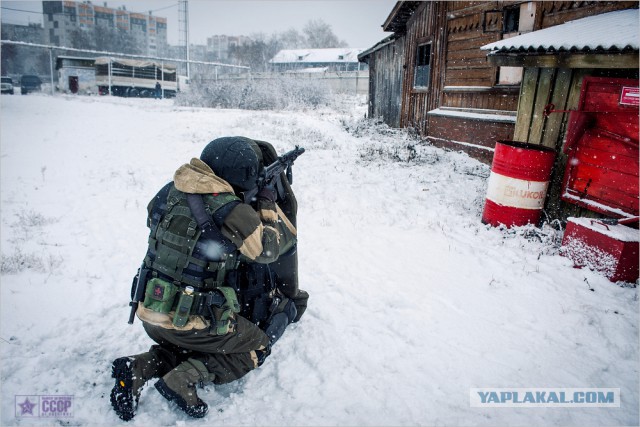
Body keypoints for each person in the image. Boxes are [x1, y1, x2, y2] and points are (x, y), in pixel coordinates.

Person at [110, 136, 308, 421]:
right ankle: (186, 377)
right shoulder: (231, 210)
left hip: (149, 313)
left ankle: (140, 367)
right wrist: (265, 203)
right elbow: (269, 250)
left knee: (180, 344)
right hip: (193, 324)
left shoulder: (167, 192)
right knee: (257, 345)